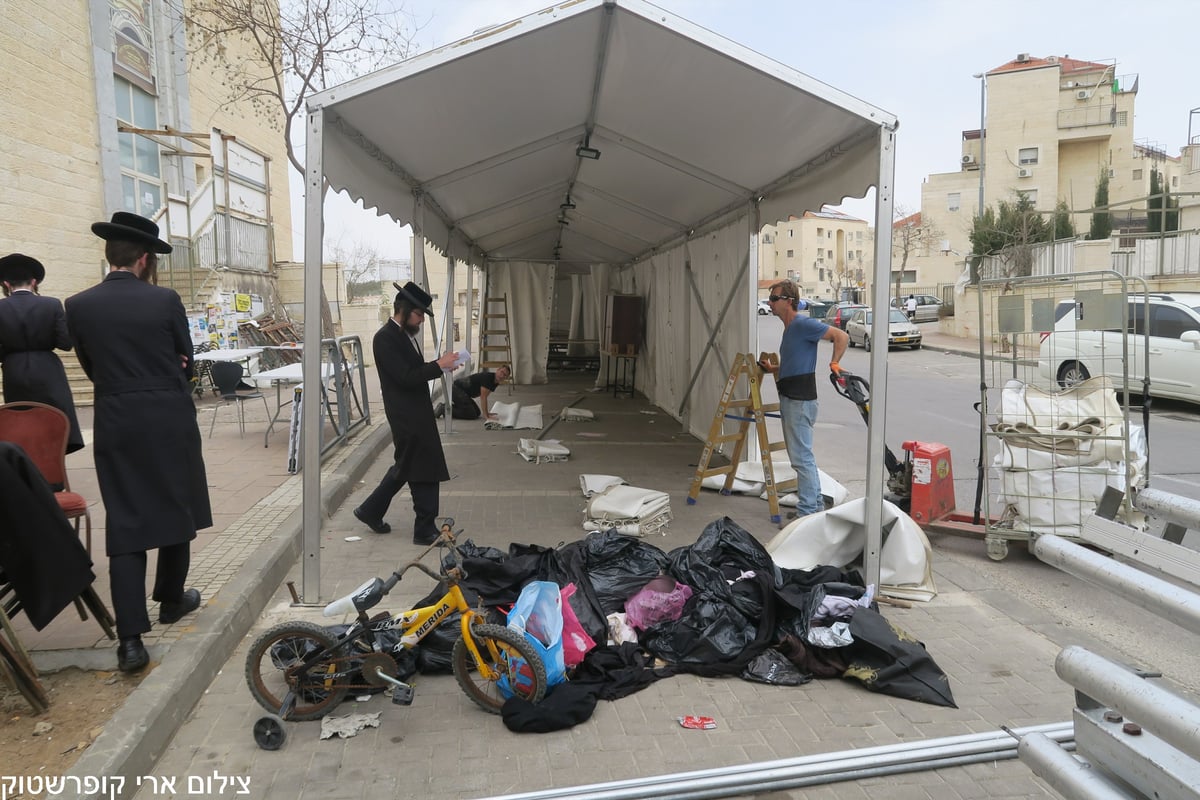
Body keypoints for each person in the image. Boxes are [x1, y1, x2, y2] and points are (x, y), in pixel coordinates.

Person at [65, 212, 211, 673]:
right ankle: (170, 599)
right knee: (175, 503)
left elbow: (89, 365)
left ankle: (130, 639)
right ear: (145, 258)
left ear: (110, 255)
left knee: (126, 520)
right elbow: (186, 363)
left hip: (115, 416)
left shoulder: (77, 305)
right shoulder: (165, 301)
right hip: (167, 415)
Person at [353, 282, 458, 544]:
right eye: (419, 314)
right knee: (425, 466)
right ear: (405, 309)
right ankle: (424, 529)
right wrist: (437, 365)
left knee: (408, 466)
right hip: (406, 415)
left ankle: (370, 510)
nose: (421, 320)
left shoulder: (402, 335)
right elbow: (405, 377)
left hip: (415, 411)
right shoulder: (385, 338)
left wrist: (441, 367)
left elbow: (413, 370)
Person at [758, 280, 848, 518]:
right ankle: (814, 506)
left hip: (799, 400)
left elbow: (841, 336)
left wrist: (835, 362)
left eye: (775, 299)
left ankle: (807, 512)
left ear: (789, 301)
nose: (770, 304)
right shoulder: (790, 329)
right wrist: (774, 370)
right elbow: (795, 363)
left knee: (801, 459)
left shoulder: (801, 323)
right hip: (793, 397)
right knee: (802, 457)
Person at [0, 253, 84, 453]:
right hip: (48, 369)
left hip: (14, 370)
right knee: (55, 419)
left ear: (6, 283)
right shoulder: (52, 304)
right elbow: (65, 342)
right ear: (34, 281)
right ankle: (56, 470)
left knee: (22, 422)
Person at [441, 364, 511, 420]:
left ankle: (450, 407)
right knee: (471, 414)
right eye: (501, 372)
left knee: (477, 413)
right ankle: (443, 409)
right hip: (455, 389)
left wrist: (486, 413)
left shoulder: (495, 382)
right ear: (497, 370)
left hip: (464, 394)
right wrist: (486, 416)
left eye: (505, 375)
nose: (502, 375)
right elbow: (483, 397)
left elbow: (485, 396)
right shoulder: (488, 378)